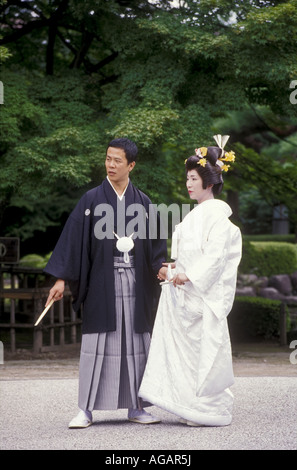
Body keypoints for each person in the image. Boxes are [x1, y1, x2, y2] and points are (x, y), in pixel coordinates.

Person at [44, 137, 167, 428]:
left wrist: (162, 269)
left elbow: (155, 249)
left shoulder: (144, 203)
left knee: (136, 343)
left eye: (117, 161)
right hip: (102, 280)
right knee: (97, 343)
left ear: (131, 165)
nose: (110, 165)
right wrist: (61, 278)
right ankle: (85, 409)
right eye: (108, 159)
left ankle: (136, 407)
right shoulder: (91, 200)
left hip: (136, 281)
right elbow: (73, 241)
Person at [139, 135, 242, 427]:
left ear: (209, 183)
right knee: (189, 354)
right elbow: (192, 256)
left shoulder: (219, 220)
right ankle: (190, 406)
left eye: (193, 178)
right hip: (187, 291)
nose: (188, 183)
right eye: (187, 178)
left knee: (205, 352)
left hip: (202, 294)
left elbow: (215, 259)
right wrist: (175, 267)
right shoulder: (194, 217)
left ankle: (211, 409)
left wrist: (186, 275)